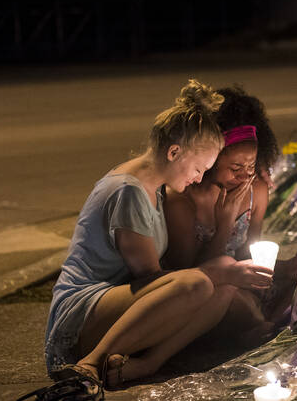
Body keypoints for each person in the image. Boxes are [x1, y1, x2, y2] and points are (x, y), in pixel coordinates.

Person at [44, 79, 271, 389]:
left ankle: (148, 362)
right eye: (198, 168)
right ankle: (90, 362)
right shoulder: (129, 192)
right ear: (175, 152)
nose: (199, 178)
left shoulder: (155, 189)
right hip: (84, 311)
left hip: (120, 307)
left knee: (223, 288)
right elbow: (151, 279)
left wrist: (220, 274)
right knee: (198, 282)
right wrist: (212, 270)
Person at [164, 86, 297, 330]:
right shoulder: (182, 201)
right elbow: (189, 279)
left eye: (251, 166)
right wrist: (226, 222)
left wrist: (287, 268)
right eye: (235, 167)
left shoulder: (257, 190)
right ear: (210, 159)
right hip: (210, 295)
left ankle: (266, 323)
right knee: (233, 299)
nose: (245, 176)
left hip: (247, 287)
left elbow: (250, 256)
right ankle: (265, 327)